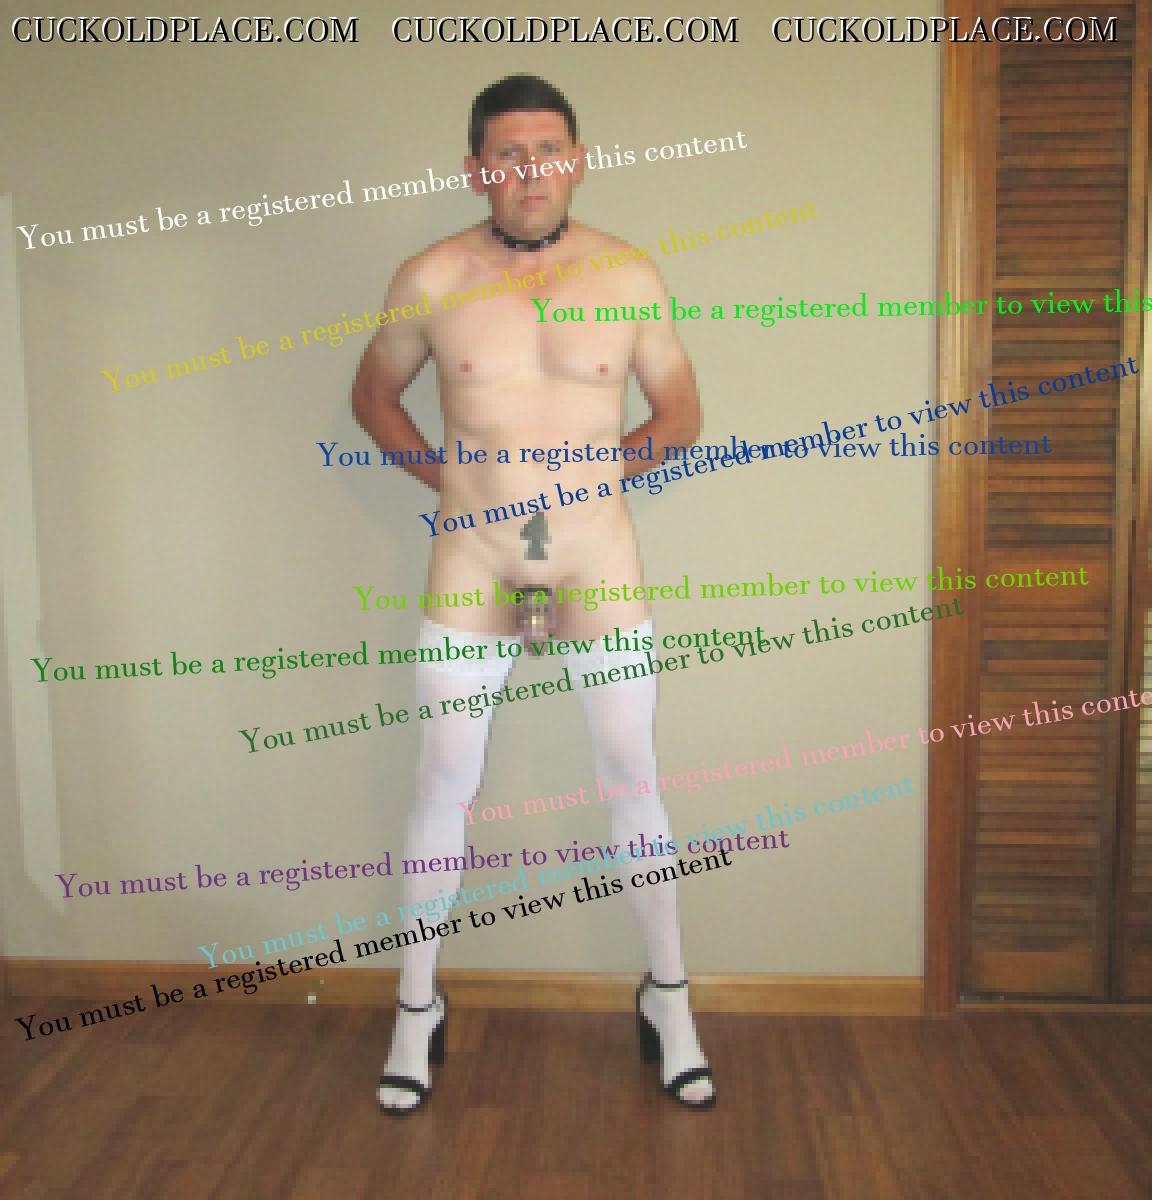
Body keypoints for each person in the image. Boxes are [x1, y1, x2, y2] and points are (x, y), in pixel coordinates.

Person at [351, 74, 715, 1113]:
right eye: (507, 153)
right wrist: (450, 484)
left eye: (548, 149)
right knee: (441, 783)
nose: (529, 170)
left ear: (577, 159)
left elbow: (680, 416)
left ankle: (669, 1002)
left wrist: (596, 479)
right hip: (473, 560)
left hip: (597, 561)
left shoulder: (628, 274)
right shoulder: (431, 275)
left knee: (633, 776)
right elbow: (374, 397)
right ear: (477, 169)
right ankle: (415, 1009)